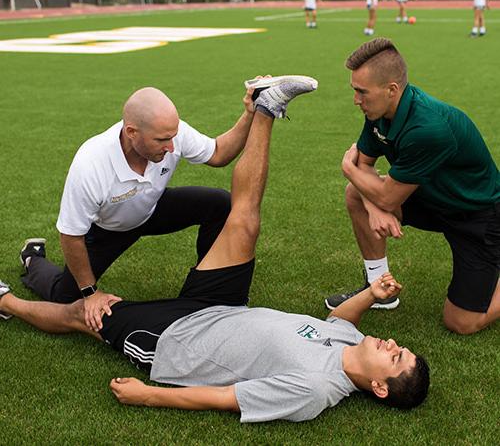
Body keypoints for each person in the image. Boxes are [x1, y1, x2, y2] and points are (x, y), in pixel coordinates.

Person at [0, 76, 430, 423]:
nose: (392, 343)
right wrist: (370, 296)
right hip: (203, 292)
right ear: (133, 132)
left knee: (79, 312)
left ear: (378, 387)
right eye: (401, 347)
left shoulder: (316, 388)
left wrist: (149, 395)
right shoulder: (350, 339)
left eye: (395, 357)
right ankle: (269, 105)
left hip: (178, 338)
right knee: (243, 219)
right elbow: (337, 320)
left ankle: (8, 299)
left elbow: (228, 397)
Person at [20, 85, 260, 332]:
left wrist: (249, 113)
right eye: (162, 140)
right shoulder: (91, 164)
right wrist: (90, 292)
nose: (170, 146)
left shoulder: (172, 134)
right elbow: (71, 235)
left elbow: (219, 153)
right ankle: (32, 259)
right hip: (109, 227)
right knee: (66, 298)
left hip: (151, 208)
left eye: (172, 137)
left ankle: (209, 289)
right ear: (131, 132)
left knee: (220, 204)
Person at [325, 38, 500, 336]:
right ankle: (380, 288)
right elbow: (365, 167)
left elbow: (380, 189)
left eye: (361, 91)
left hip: (477, 217)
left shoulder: (427, 128)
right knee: (356, 193)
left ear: (391, 90)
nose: (356, 99)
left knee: (461, 323)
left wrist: (348, 170)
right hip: (433, 200)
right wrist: (374, 206)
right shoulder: (378, 112)